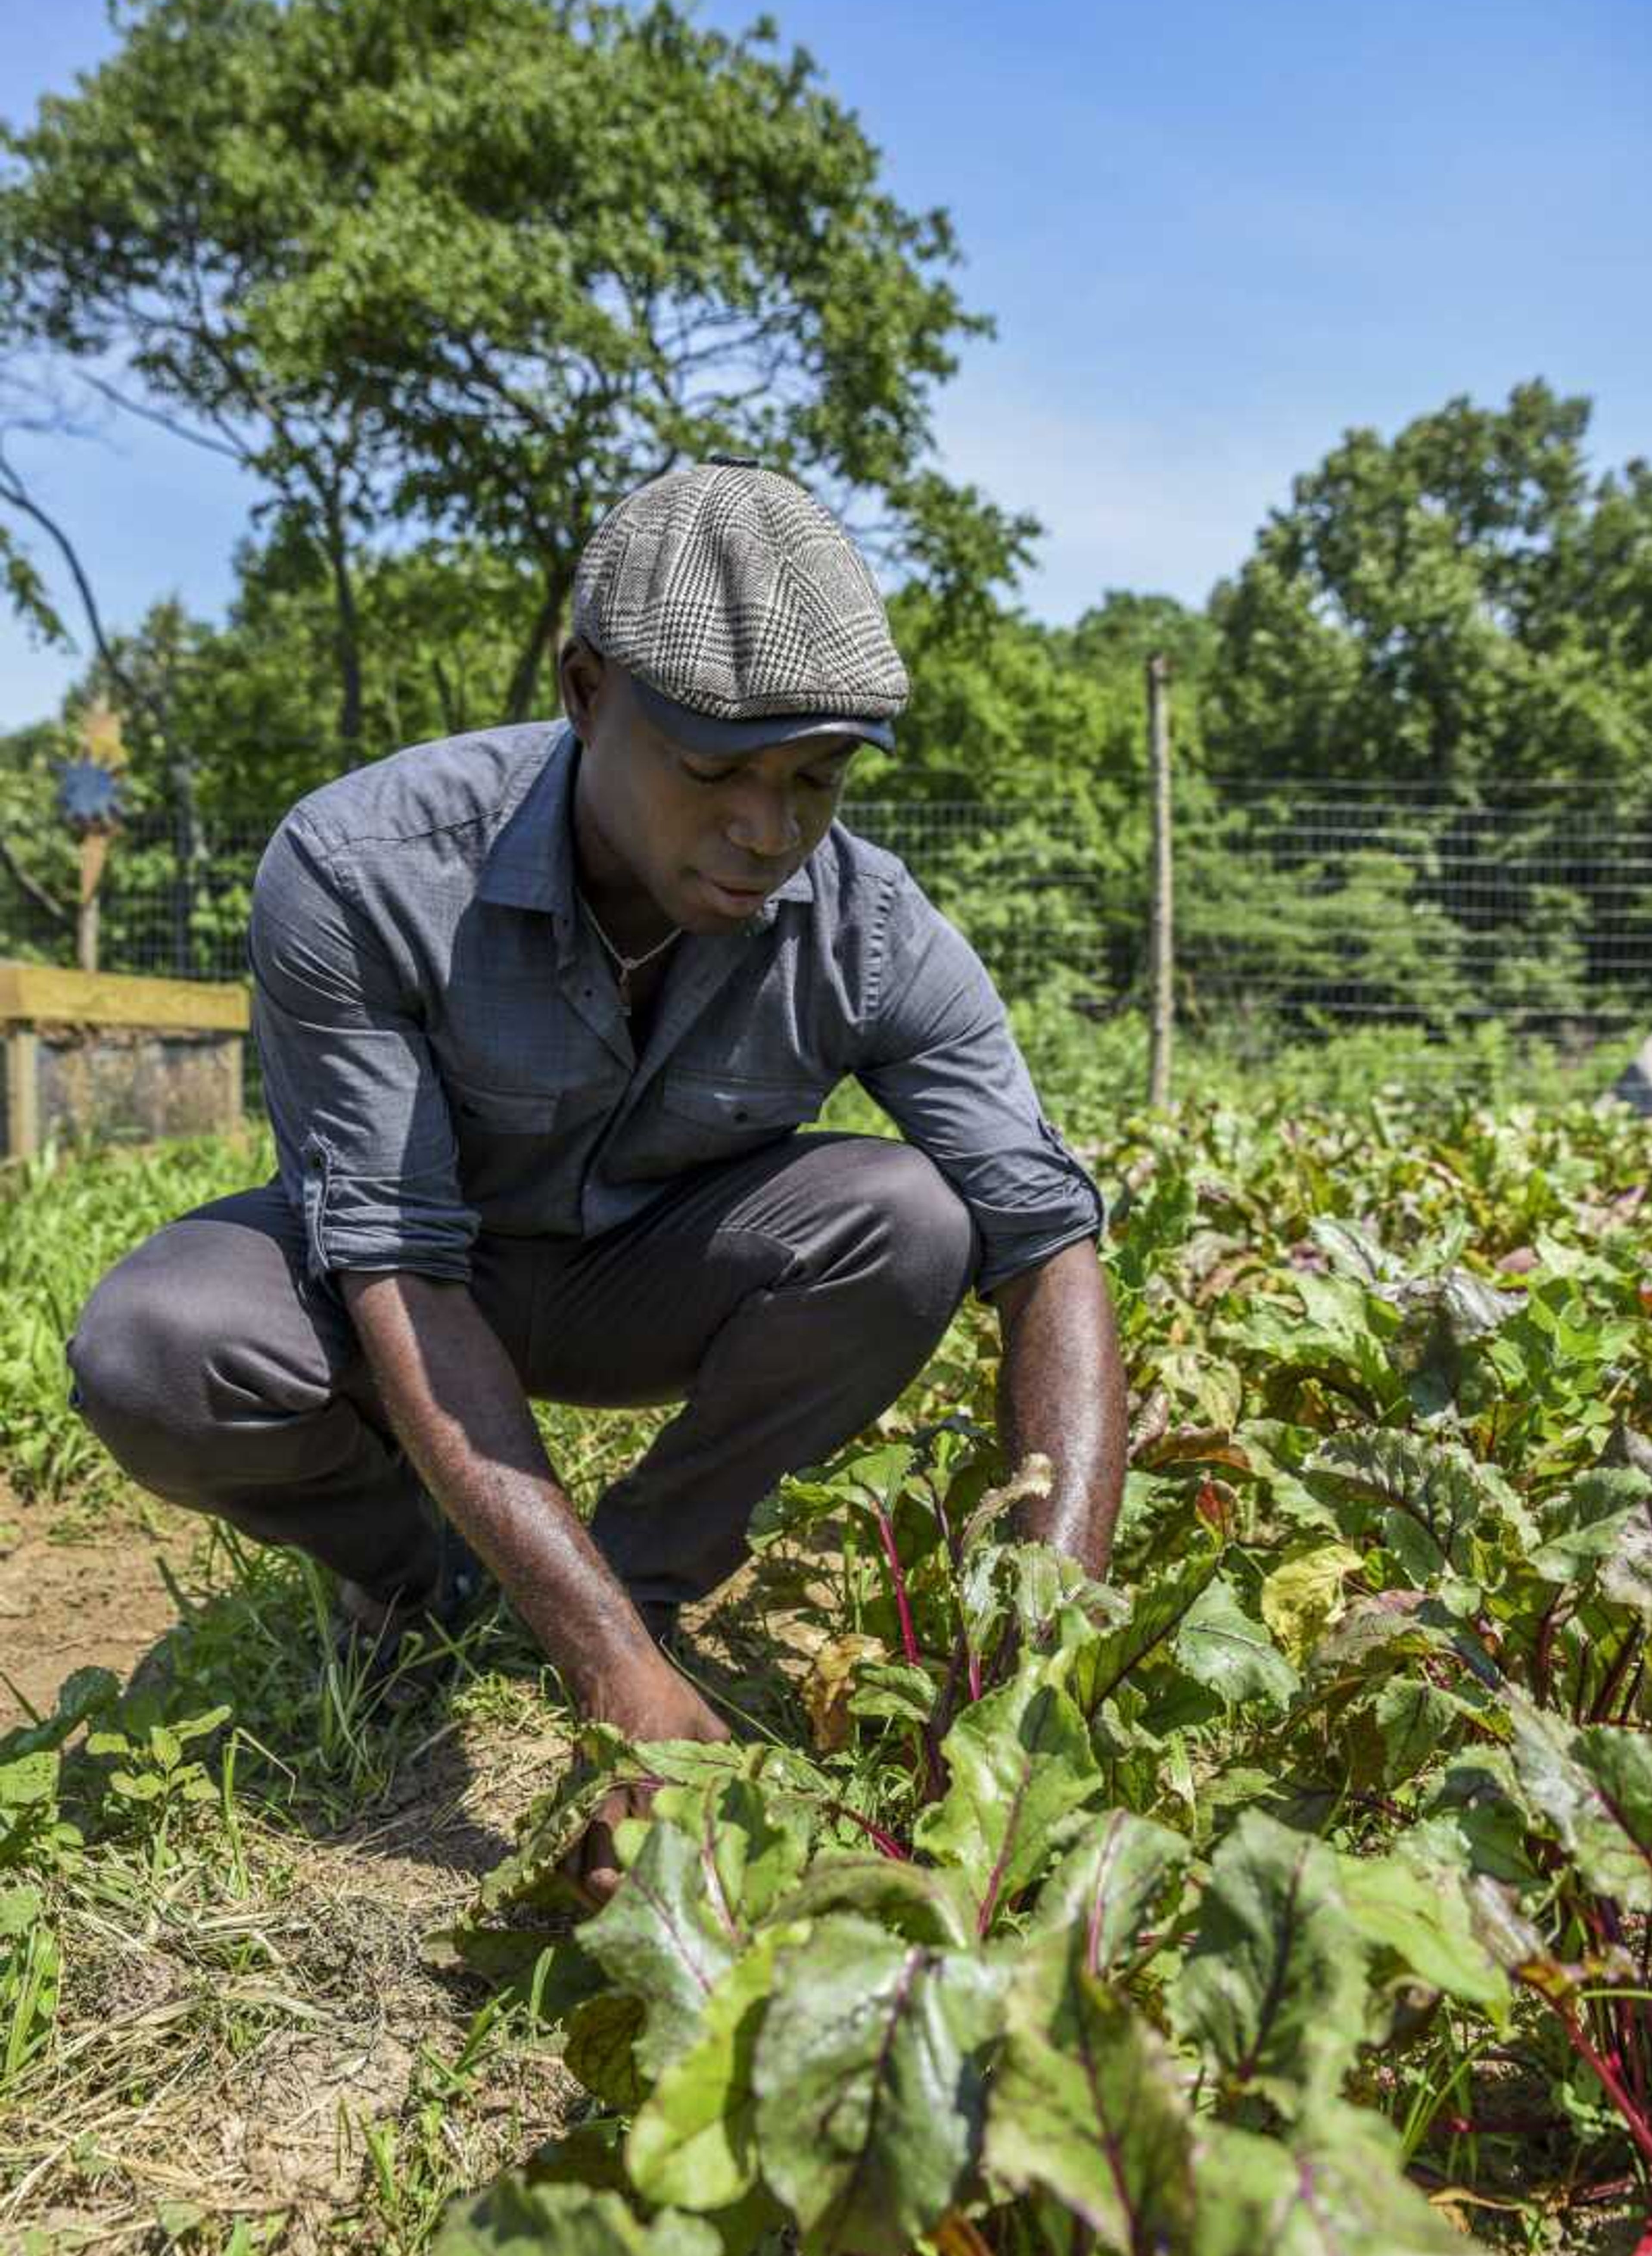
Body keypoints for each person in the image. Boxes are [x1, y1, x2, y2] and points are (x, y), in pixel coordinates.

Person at [66, 458, 1127, 1898]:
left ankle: (643, 1575)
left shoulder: (868, 925)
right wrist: (605, 1679)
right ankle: (412, 1578)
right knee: (160, 1349)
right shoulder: (363, 867)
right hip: (409, 1302)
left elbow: (1048, 1243)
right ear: (583, 690)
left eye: (815, 777)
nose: (769, 831)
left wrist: (1041, 1649)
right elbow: (394, 1260)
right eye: (712, 772)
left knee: (915, 1219)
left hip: (649, 1286)